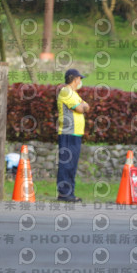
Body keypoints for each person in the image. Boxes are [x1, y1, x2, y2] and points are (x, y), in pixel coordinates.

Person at [56, 68, 90, 202]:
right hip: (68, 132)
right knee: (67, 164)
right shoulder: (66, 92)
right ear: (75, 79)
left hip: (75, 133)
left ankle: (70, 193)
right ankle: (64, 193)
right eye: (79, 79)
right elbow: (81, 108)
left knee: (72, 164)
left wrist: (84, 106)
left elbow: (86, 106)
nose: (80, 81)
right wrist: (83, 106)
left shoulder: (74, 93)